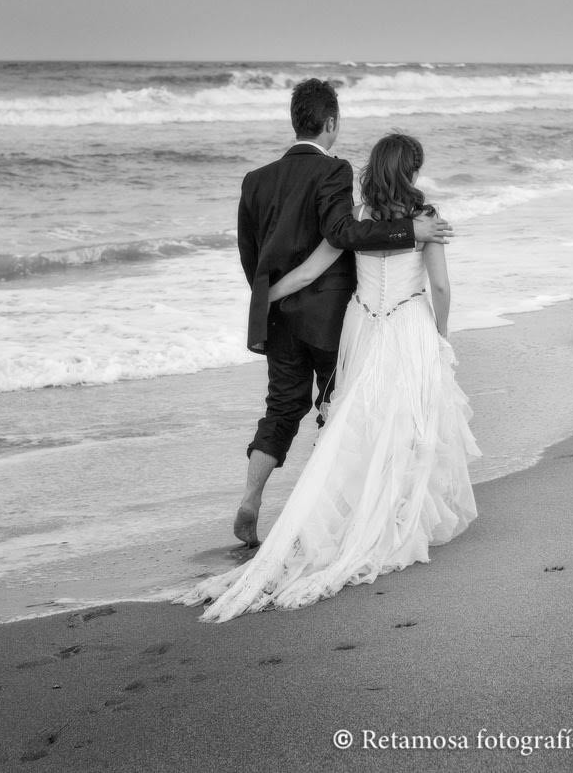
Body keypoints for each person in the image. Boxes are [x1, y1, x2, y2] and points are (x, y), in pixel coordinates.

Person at [178, 133, 478, 621]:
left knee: (355, 420)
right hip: (406, 323)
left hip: (362, 323)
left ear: (374, 171)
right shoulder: (425, 220)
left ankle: (318, 510)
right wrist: (441, 332)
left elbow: (309, 269)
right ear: (412, 173)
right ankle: (397, 513)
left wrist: (265, 301)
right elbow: (440, 284)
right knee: (409, 421)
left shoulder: (354, 219)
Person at [230, 79, 452, 548]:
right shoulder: (337, 173)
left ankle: (252, 498)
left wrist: (264, 299)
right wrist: (410, 232)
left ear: (295, 120)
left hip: (284, 315)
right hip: (337, 321)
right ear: (330, 122)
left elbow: (253, 256)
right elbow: (342, 232)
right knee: (341, 412)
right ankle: (340, 505)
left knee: (281, 409)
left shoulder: (254, 180)